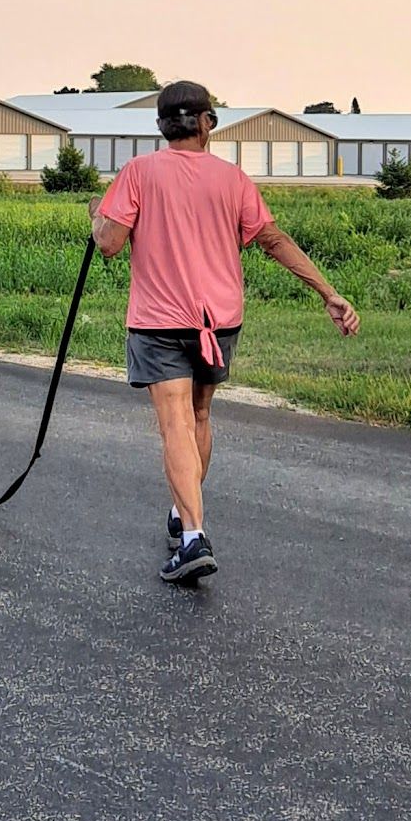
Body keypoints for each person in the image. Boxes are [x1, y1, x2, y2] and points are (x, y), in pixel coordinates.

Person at [90, 80, 359, 583]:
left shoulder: (139, 173)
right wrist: (329, 292)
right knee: (199, 414)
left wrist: (94, 216)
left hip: (159, 322)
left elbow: (107, 243)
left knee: (174, 424)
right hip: (219, 320)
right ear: (206, 123)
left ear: (162, 126)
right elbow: (273, 240)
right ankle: (184, 513)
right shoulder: (233, 180)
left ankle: (192, 535)